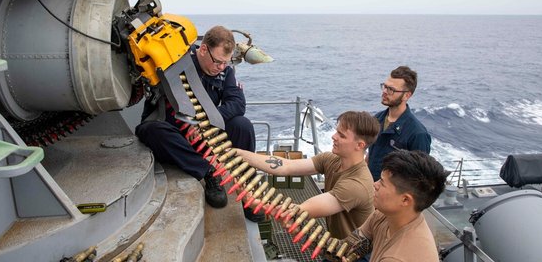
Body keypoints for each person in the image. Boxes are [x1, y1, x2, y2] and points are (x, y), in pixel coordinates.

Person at [135, 26, 255, 210]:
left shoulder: (225, 71)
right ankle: (208, 171)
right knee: (151, 130)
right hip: (175, 134)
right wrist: (191, 124)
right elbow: (167, 108)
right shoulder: (175, 64)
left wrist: (204, 123)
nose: (221, 68)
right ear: (204, 49)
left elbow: (238, 105)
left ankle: (247, 187)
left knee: (242, 125)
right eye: (218, 62)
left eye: (226, 62)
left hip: (204, 132)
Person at [236, 111, 380, 240]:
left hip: (354, 255)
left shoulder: (357, 184)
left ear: (360, 145)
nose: (333, 136)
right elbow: (286, 166)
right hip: (338, 246)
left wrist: (255, 202)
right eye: (336, 131)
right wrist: (241, 154)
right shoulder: (331, 160)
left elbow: (299, 210)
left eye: (341, 135)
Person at [336, 150, 449, 262]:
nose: (375, 184)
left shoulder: (399, 257)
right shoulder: (384, 215)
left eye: (382, 182)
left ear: (405, 200)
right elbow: (351, 244)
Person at [367, 66, 431, 182]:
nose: (385, 92)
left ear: (407, 95)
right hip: (370, 188)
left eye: (391, 89)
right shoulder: (377, 119)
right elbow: (370, 155)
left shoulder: (418, 134)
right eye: (385, 86)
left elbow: (419, 178)